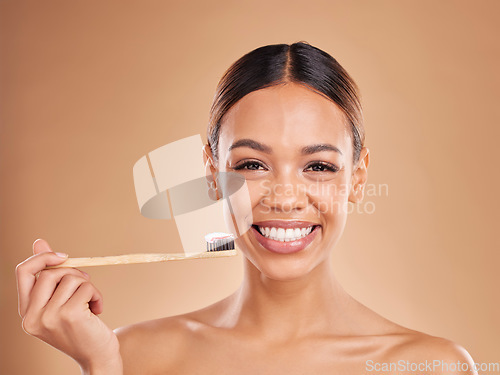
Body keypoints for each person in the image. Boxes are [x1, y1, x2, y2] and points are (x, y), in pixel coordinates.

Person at [16, 42, 477, 375]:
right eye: (253, 164)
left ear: (357, 176)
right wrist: (99, 366)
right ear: (212, 174)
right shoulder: (131, 355)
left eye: (317, 165)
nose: (285, 197)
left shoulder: (432, 367)